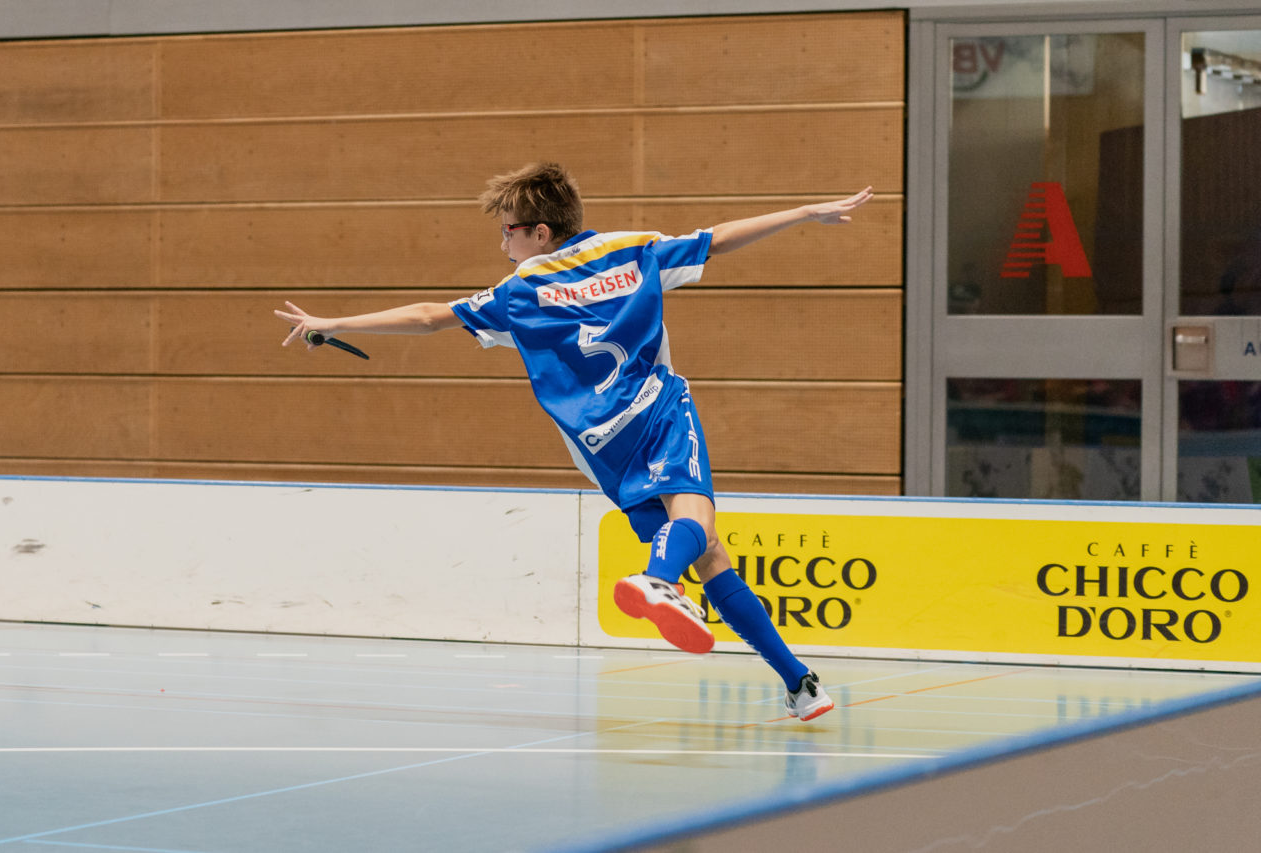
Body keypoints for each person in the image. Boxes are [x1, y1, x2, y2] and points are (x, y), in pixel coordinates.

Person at [276, 162, 873, 722]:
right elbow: (715, 239)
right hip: (656, 409)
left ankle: (800, 685)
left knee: (709, 549)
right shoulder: (630, 250)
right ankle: (658, 581)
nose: (503, 243)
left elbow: (432, 315)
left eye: (507, 231)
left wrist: (334, 323)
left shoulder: (518, 292)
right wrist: (802, 213)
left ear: (539, 232)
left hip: (599, 444)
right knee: (696, 518)